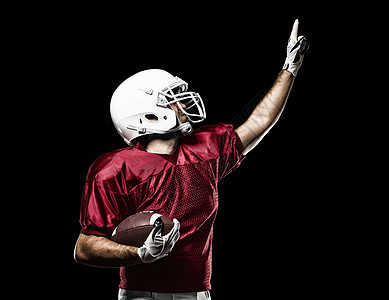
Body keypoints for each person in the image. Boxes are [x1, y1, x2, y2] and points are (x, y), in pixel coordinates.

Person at [74, 19, 308, 300]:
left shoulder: (206, 148)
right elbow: (85, 247)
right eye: (172, 99)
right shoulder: (115, 169)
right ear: (146, 113)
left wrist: (289, 69)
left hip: (198, 292)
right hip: (141, 294)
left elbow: (260, 120)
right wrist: (139, 253)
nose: (184, 103)